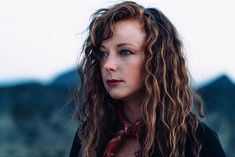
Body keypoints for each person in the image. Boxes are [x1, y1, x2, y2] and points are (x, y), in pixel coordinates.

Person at [69, 1, 226, 157]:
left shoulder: (198, 142)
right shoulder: (89, 137)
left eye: (125, 52)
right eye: (103, 53)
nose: (108, 65)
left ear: (156, 60)